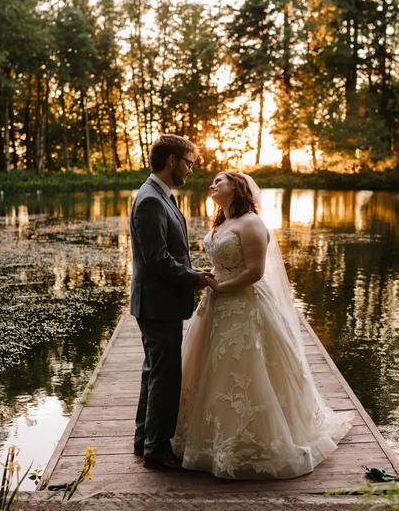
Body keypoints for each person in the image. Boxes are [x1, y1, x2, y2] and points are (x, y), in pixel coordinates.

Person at [171, 172, 354, 479]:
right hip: (216, 303)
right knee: (209, 370)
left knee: (246, 368)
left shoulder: (252, 223)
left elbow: (255, 271)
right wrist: (210, 279)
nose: (213, 184)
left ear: (237, 187)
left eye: (220, 180)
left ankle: (252, 443)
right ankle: (207, 439)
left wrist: (224, 288)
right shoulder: (221, 222)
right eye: (212, 182)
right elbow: (223, 263)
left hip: (244, 305)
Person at [129, 134, 212, 470]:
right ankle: (157, 450)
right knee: (165, 376)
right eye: (188, 162)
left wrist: (192, 269)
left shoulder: (160, 196)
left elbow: (166, 254)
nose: (190, 170)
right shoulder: (150, 200)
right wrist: (193, 278)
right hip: (157, 303)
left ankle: (144, 440)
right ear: (172, 160)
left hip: (158, 302)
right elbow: (156, 259)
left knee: (155, 372)